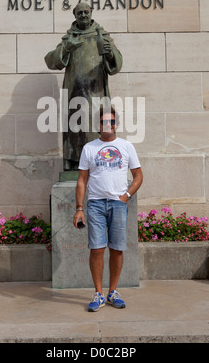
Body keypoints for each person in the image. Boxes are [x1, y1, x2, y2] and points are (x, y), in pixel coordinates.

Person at [73, 106, 143, 312]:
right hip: (95, 204)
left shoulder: (126, 146)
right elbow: (81, 180)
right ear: (98, 126)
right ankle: (98, 294)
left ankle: (112, 292)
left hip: (118, 205)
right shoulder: (89, 148)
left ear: (116, 125)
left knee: (117, 248)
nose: (109, 125)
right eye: (104, 122)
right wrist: (79, 208)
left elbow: (139, 176)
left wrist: (125, 196)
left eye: (112, 122)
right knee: (96, 248)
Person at [44, 2, 123, 171]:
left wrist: (109, 53)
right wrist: (66, 48)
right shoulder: (70, 37)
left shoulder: (101, 35)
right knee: (75, 131)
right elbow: (51, 61)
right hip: (74, 92)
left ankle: (99, 163)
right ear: (74, 15)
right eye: (80, 13)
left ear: (91, 12)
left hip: (96, 91)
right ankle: (75, 165)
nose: (83, 15)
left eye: (86, 12)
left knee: (95, 127)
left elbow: (117, 64)